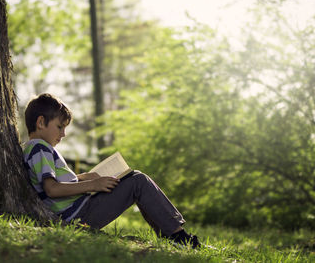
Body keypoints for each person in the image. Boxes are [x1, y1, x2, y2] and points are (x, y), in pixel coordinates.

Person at [23, 93, 200, 249]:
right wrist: (93, 184)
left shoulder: (35, 148)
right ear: (41, 122)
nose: (63, 134)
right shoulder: (40, 148)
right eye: (60, 127)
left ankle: (172, 234)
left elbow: (52, 181)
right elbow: (52, 189)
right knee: (138, 182)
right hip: (79, 216)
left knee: (136, 179)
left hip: (79, 211)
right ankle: (178, 237)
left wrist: (84, 177)